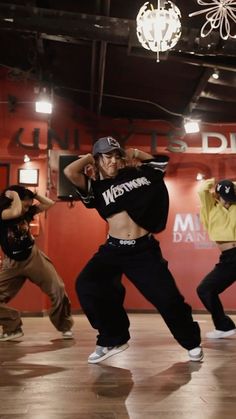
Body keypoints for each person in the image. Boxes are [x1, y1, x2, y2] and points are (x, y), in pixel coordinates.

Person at [64, 136, 203, 363]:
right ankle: (113, 338)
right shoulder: (96, 189)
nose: (113, 162)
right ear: (97, 160)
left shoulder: (136, 174)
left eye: (116, 156)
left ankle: (191, 341)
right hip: (113, 250)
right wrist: (90, 157)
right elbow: (70, 172)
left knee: (168, 300)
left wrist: (136, 153)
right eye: (107, 157)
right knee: (87, 285)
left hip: (143, 251)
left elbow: (159, 165)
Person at [0, 185, 74, 341]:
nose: (27, 209)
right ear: (13, 200)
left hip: (33, 258)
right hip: (11, 264)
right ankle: (12, 327)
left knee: (58, 288)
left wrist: (35, 195)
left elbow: (49, 204)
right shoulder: (3, 213)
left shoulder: (26, 212)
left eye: (29, 205)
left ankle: (64, 326)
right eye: (25, 205)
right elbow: (15, 212)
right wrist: (14, 194)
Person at [197, 178, 236, 339]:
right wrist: (216, 182)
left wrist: (232, 186)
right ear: (216, 196)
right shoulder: (210, 209)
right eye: (225, 199)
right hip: (228, 259)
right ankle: (224, 326)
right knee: (205, 290)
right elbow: (202, 190)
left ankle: (223, 326)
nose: (228, 203)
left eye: (231, 200)